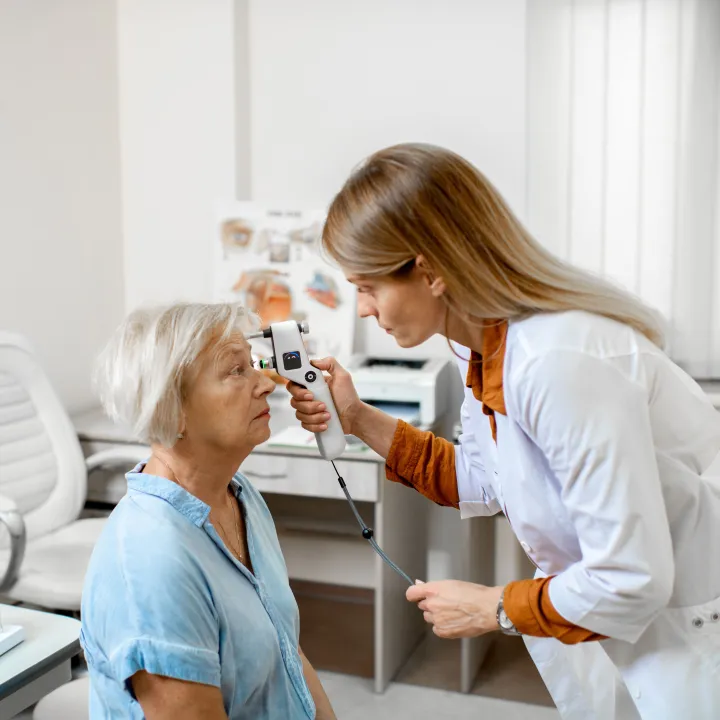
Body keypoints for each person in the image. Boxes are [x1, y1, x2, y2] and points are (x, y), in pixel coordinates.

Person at [287, 143, 720, 719]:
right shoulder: (490, 344)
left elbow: (631, 576)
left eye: (367, 286)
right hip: (628, 621)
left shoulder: (558, 361)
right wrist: (358, 417)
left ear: (430, 269)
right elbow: (485, 481)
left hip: (689, 622)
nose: (362, 309)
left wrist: (492, 607)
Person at [81, 302, 336, 720]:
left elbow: (286, 652)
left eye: (253, 366)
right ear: (172, 408)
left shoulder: (240, 496)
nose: (266, 385)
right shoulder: (153, 563)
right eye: (236, 371)